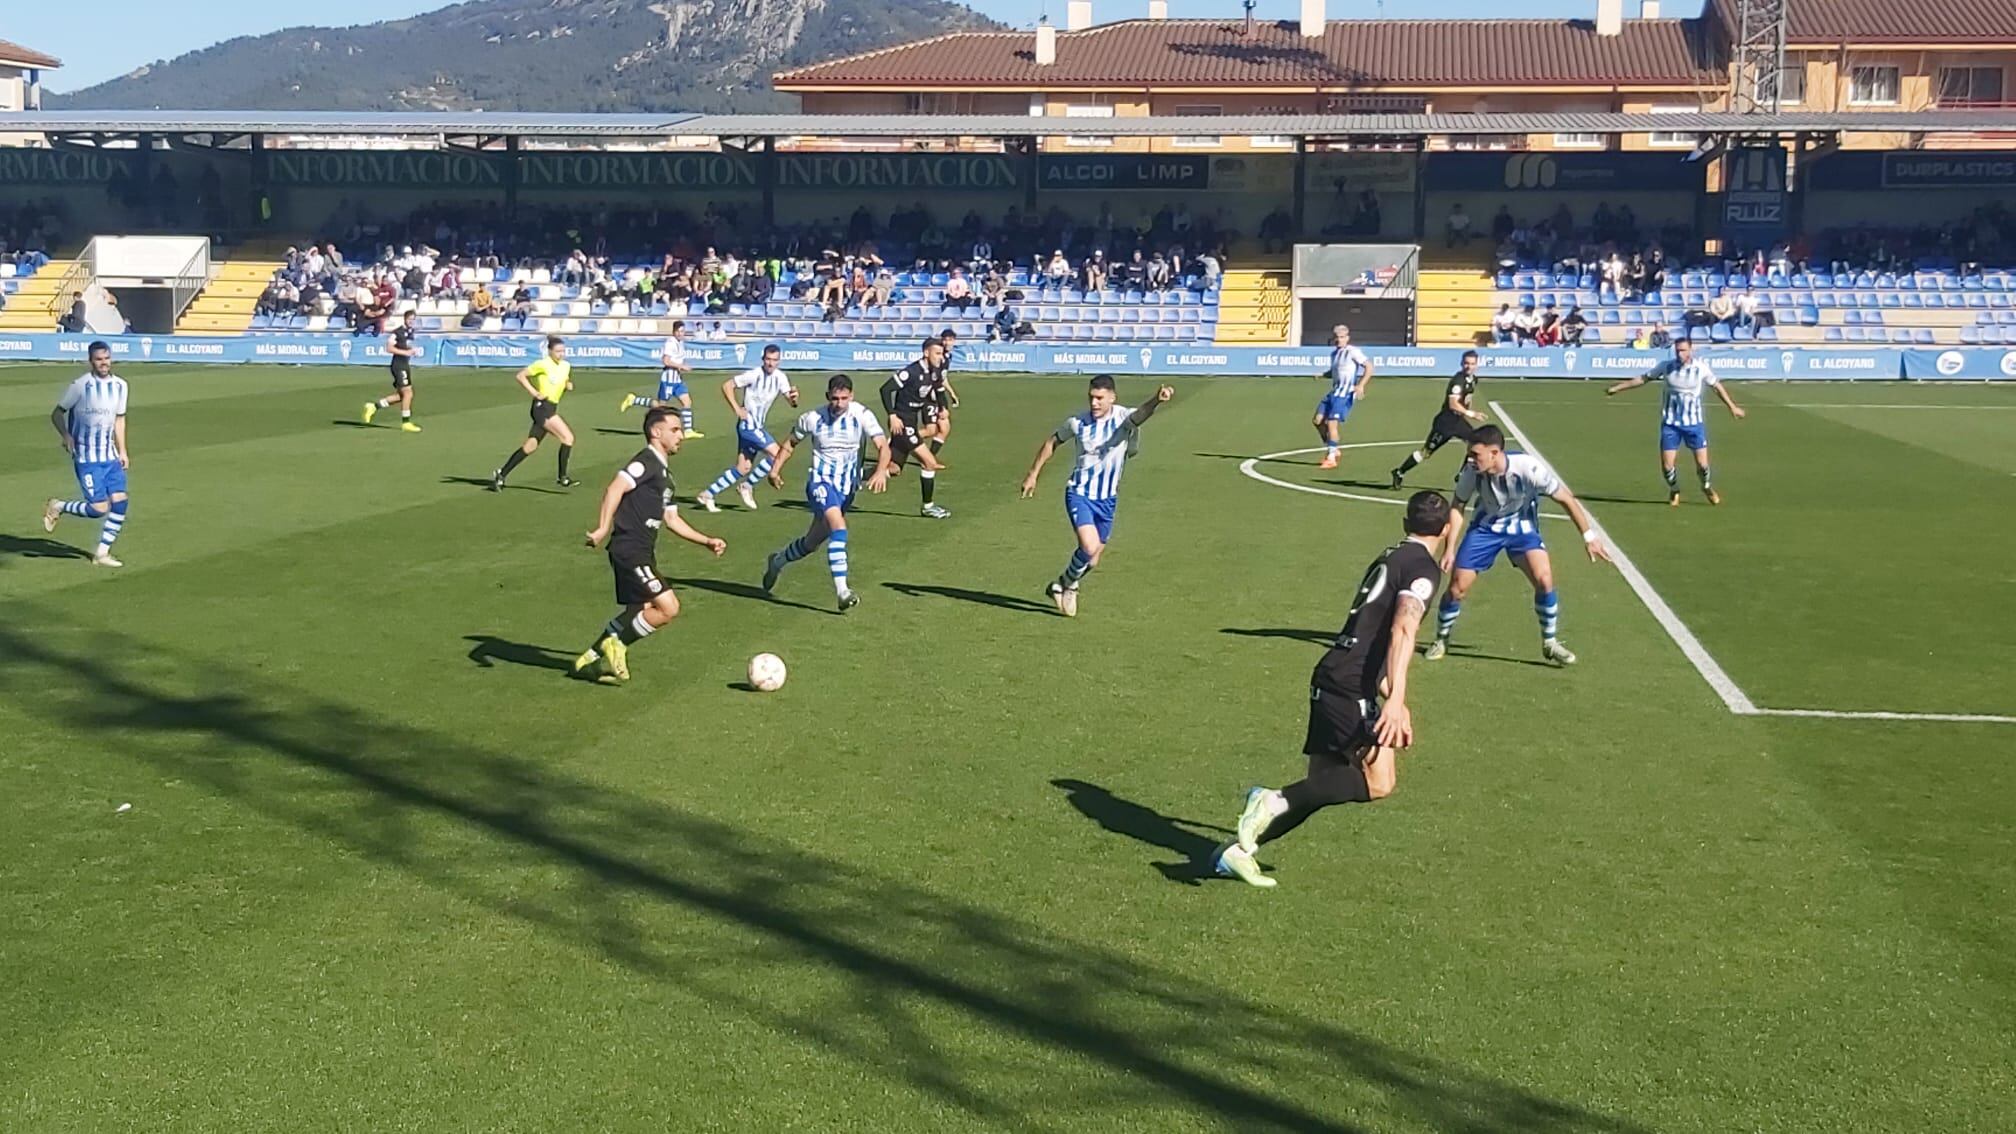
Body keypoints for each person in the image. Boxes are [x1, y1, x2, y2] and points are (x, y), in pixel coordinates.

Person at [1215, 490, 1453, 888]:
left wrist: (1396, 696)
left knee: (1319, 788)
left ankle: (1236, 854)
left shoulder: (1390, 557)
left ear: (1404, 523)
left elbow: (1370, 634)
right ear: (1445, 530)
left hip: (1334, 676)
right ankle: (1269, 799)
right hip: (1349, 687)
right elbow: (1402, 629)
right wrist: (1394, 701)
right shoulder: (1423, 569)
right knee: (1378, 783)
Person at [1423, 425, 1612, 666]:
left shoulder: (1528, 468)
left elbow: (1565, 498)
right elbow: (1458, 505)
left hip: (1522, 529)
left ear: (1494, 453)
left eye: (1475, 454)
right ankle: (1442, 638)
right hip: (1485, 530)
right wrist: (1449, 548)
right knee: (1458, 588)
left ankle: (1550, 642)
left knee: (1544, 579)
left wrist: (1589, 537)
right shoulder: (1472, 471)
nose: (1471, 459)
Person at [572, 407, 727, 684]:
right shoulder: (645, 462)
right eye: (675, 430)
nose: (681, 435)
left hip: (642, 551)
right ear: (656, 432)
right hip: (629, 548)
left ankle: (591, 658)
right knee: (668, 608)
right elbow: (615, 488)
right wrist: (603, 527)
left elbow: (672, 519)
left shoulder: (666, 476)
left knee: (637, 611)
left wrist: (706, 540)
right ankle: (616, 645)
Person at [1018, 375, 1174, 618]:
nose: (1095, 403)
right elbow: (1052, 442)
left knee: (1092, 561)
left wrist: (1156, 400)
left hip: (1108, 499)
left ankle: (1060, 584)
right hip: (1079, 493)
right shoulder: (1077, 423)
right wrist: (1033, 474)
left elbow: (1140, 415)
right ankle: (1070, 586)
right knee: (1088, 547)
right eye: (1092, 397)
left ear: (1112, 398)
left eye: (1100, 398)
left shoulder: (1122, 419)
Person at [761, 375, 895, 612]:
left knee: (811, 543)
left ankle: (778, 560)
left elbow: (883, 446)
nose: (839, 403)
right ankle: (843, 591)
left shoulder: (861, 415)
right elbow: (790, 443)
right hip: (820, 483)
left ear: (851, 396)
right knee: (839, 527)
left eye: (844, 398)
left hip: (847, 489)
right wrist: (775, 470)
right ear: (827, 397)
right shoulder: (812, 418)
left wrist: (881, 471)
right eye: (835, 398)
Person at [1605, 338, 1745, 506]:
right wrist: (1618, 388)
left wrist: (1732, 407)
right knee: (1667, 466)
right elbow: (1643, 379)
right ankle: (1675, 489)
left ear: (1691, 350)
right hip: (1671, 424)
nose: (1680, 354)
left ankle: (1706, 486)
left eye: (1684, 350)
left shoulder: (1700, 368)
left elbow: (1717, 386)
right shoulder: (1666, 366)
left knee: (1702, 465)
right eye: (1678, 350)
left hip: (1694, 424)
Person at [40, 342, 131, 569]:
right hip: (86, 458)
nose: (104, 363)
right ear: (91, 361)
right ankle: (58, 506)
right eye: (99, 359)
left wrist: (123, 451)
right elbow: (57, 413)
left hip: (109, 457)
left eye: (107, 358)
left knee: (120, 502)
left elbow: (120, 419)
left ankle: (102, 553)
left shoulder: (120, 386)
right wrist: (66, 435)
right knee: (99, 509)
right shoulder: (80, 386)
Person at [695, 344, 799, 513]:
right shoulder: (754, 374)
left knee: (743, 467)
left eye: (774, 360)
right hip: (748, 426)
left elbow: (791, 401)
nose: (771, 364)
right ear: (763, 359)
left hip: (757, 425)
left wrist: (794, 399)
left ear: (779, 361)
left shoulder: (781, 378)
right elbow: (727, 385)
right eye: (768, 360)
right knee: (778, 454)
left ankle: (707, 494)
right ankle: (747, 486)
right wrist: (736, 408)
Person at [490, 336, 578, 491]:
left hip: (552, 406)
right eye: (558, 351)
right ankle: (562, 477)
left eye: (563, 351)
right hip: (541, 408)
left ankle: (501, 474)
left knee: (530, 446)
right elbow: (520, 375)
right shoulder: (542, 364)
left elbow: (561, 382)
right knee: (568, 438)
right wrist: (534, 392)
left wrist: (567, 385)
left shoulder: (566, 366)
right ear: (550, 351)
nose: (561, 354)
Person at [1390, 350, 1488, 487]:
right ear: (1461, 363)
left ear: (1477, 365)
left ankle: (1461, 476)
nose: (1469, 366)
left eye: (1472, 364)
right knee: (1426, 453)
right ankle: (1399, 472)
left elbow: (1467, 399)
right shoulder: (1457, 381)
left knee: (1477, 444)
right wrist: (1470, 413)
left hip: (1458, 421)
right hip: (1445, 423)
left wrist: (1467, 411)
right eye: (1466, 363)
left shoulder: (1473, 380)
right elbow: (1453, 404)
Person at [879, 338, 952, 517]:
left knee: (894, 469)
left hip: (911, 421)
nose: (940, 358)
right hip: (903, 424)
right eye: (937, 353)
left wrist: (943, 408)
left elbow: (939, 389)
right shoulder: (910, 372)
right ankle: (928, 507)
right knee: (929, 463)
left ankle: (854, 477)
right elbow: (885, 390)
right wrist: (892, 415)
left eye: (942, 354)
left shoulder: (934, 372)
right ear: (926, 353)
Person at [619, 321, 701, 436]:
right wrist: (681, 366)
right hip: (668, 379)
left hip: (677, 379)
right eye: (678, 331)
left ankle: (688, 430)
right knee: (660, 407)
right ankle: (633, 400)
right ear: (674, 332)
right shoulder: (670, 343)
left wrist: (680, 368)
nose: (680, 333)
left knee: (687, 402)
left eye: (682, 331)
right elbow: (666, 361)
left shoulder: (680, 343)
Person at [1312, 324, 1373, 470]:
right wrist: (1323, 374)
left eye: (1342, 337)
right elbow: (1335, 372)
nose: (1339, 340)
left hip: (1345, 393)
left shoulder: (1353, 352)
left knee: (1332, 423)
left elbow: (1369, 367)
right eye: (1337, 337)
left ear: (1347, 338)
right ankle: (1333, 447)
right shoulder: (1334, 354)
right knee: (1317, 420)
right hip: (1334, 392)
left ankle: (1331, 457)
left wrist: (1361, 385)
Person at [362, 310, 422, 432]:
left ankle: (373, 407)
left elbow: (407, 345)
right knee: (408, 393)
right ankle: (406, 423)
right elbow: (389, 348)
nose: (411, 321)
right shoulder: (398, 332)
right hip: (398, 365)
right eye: (409, 319)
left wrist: (412, 349)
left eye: (413, 319)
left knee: (401, 396)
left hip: (405, 364)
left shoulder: (410, 332)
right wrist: (406, 352)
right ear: (405, 319)